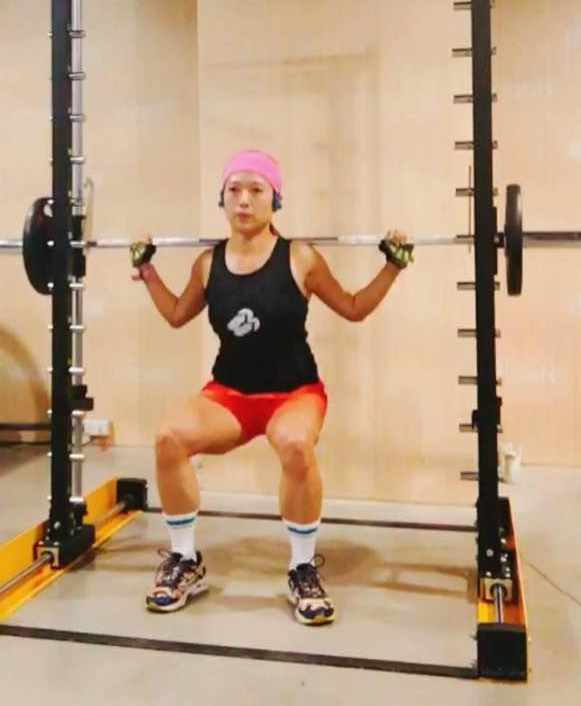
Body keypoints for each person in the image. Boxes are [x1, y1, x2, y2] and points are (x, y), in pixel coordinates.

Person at [131, 149, 411, 625]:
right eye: (234, 190)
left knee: (296, 445)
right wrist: (148, 272)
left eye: (256, 190)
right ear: (222, 198)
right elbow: (177, 314)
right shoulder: (207, 263)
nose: (244, 200)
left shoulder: (301, 258)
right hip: (230, 396)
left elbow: (353, 308)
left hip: (294, 394)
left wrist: (393, 267)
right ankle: (184, 559)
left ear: (275, 199)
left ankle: (302, 568)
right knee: (168, 438)